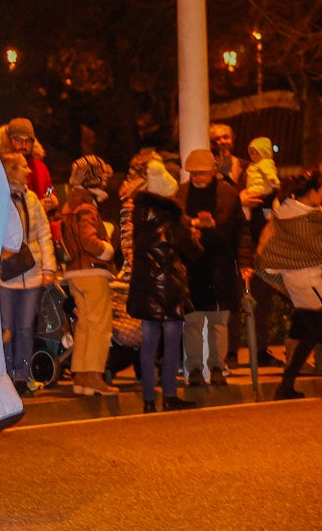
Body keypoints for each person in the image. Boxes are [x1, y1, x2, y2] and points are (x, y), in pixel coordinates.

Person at [175, 148, 252, 387]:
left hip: (220, 266)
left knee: (218, 321)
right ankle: (195, 369)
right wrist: (194, 226)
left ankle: (218, 367)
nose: (198, 178)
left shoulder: (228, 193)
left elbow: (241, 231)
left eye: (202, 174)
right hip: (192, 267)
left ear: (214, 171)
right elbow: (174, 226)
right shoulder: (182, 194)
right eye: (193, 174)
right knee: (193, 322)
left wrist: (245, 262)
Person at [127, 171, 200, 413]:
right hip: (169, 289)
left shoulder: (138, 219)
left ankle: (148, 399)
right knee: (171, 343)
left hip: (146, 289)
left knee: (148, 345)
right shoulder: (172, 221)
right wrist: (196, 236)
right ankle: (169, 395)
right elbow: (194, 253)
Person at [253, 172, 322, 400]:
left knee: (308, 336)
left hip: (299, 283)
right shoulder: (306, 219)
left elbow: (269, 255)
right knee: (312, 332)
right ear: (312, 191)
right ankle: (286, 386)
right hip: (311, 282)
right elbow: (315, 249)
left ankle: (286, 386)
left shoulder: (284, 213)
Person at [0, 152, 55, 396]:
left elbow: (44, 233)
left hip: (31, 271)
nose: (28, 171)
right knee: (5, 328)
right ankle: (6, 376)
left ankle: (22, 376)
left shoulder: (31, 199)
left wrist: (49, 267)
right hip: (6, 274)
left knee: (24, 328)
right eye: (23, 167)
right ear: (11, 170)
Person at [62, 156, 119, 396]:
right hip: (93, 270)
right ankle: (94, 376)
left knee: (85, 324)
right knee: (99, 326)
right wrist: (106, 250)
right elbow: (88, 240)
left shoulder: (70, 205)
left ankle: (81, 377)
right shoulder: (87, 206)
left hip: (76, 272)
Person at [244, 137, 281, 211]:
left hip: (261, 187)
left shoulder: (264, 162)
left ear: (262, 152)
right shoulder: (255, 164)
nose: (251, 156)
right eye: (250, 153)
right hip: (259, 187)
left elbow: (269, 172)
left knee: (246, 197)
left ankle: (245, 213)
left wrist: (274, 181)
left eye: (253, 153)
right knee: (264, 207)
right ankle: (267, 212)